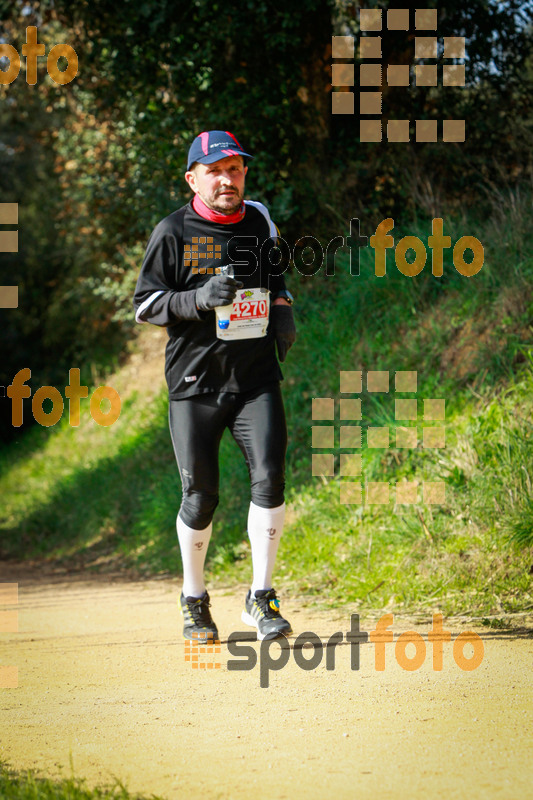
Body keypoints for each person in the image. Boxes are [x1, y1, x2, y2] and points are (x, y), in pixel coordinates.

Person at [133, 130, 296, 643]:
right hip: (195, 382)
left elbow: (276, 275)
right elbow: (144, 304)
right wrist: (198, 298)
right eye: (215, 170)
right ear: (193, 178)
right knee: (201, 496)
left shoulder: (259, 218)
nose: (228, 179)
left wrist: (284, 312)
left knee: (270, 478)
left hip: (254, 378)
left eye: (236, 169)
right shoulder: (172, 231)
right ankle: (194, 598)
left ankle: (261, 596)